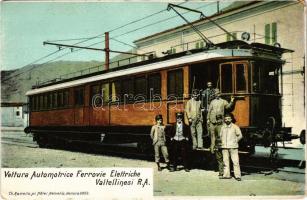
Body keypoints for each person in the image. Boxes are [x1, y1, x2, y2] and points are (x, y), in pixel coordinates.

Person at [220, 113, 243, 181]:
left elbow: (240, 135)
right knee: (225, 162)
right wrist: (222, 142)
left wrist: (235, 141)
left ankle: (238, 176)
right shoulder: (222, 127)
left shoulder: (235, 127)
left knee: (235, 161)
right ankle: (226, 175)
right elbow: (220, 135)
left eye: (228, 119)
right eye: (226, 119)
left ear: (231, 119)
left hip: (233, 147)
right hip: (224, 147)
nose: (227, 120)